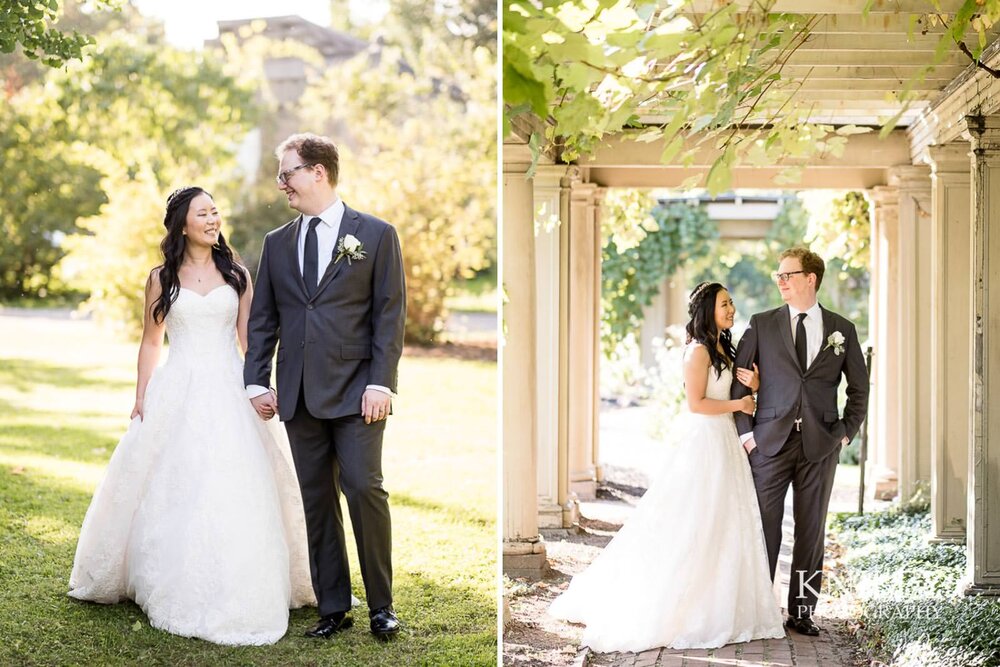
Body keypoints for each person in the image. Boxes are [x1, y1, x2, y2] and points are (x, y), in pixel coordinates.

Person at [68, 186, 315, 645]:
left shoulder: (237, 274)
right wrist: (141, 396)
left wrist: (258, 386)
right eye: (203, 213)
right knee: (175, 479)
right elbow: (150, 340)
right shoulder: (161, 277)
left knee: (235, 478)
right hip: (177, 386)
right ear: (183, 223)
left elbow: (249, 340)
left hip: (228, 387)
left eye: (216, 211)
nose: (213, 219)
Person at [549, 282, 785, 653]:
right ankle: (684, 605)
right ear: (707, 309)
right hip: (706, 441)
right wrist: (739, 408)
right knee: (696, 521)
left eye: (732, 303)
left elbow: (736, 390)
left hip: (726, 443)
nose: (732, 309)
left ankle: (722, 601)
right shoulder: (698, 351)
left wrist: (755, 384)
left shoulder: (725, 345)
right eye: (725, 304)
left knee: (727, 522)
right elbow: (697, 404)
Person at [244, 133, 406, 641]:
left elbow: (389, 317)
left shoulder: (376, 235)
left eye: (288, 172)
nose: (281, 182)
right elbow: (264, 320)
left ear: (318, 172)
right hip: (296, 395)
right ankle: (333, 606)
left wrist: (382, 383)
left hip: (360, 393)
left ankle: (382, 605)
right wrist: (255, 381)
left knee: (363, 488)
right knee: (316, 501)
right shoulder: (276, 243)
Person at [731, 247, 869, 636]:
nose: (781, 282)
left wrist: (844, 433)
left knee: (811, 533)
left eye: (787, 275)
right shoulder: (761, 324)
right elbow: (740, 380)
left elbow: (859, 389)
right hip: (768, 444)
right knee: (765, 530)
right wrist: (747, 436)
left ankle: (802, 610)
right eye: (778, 276)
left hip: (821, 445)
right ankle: (760, 606)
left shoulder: (843, 329)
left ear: (811, 278)